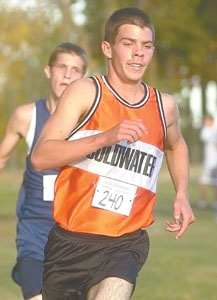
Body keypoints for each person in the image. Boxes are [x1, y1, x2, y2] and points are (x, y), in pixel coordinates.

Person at [31, 7, 195, 300]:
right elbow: (41, 157)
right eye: (128, 44)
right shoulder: (86, 92)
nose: (138, 54)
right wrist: (104, 138)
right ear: (107, 48)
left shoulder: (164, 106)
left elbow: (176, 145)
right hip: (70, 244)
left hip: (125, 242)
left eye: (145, 46)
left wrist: (182, 193)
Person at [0, 42, 88, 300]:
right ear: (49, 71)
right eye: (62, 67)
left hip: (75, 234)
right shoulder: (26, 116)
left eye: (76, 70)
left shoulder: (91, 123)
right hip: (34, 230)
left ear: (83, 78)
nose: (68, 74)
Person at [198, 114, 217, 211]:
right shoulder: (205, 131)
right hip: (207, 162)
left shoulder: (214, 130)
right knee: (203, 181)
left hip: (215, 162)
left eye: (207, 121)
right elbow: (206, 138)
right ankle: (202, 201)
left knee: (215, 183)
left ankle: (215, 202)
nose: (205, 123)